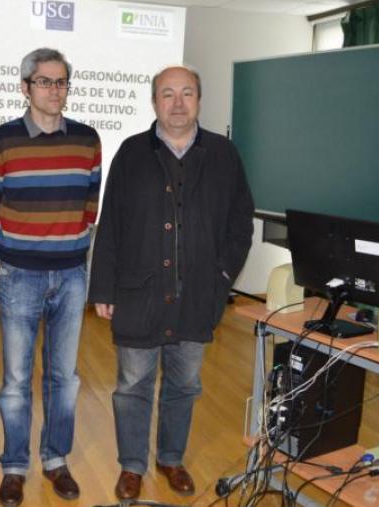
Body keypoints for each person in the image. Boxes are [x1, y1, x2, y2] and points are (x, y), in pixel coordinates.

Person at [88, 65, 254, 501]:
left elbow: (240, 225)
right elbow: (111, 226)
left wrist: (222, 276)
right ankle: (131, 465)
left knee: (184, 385)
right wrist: (103, 287)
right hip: (138, 293)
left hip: (198, 295)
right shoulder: (130, 152)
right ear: (154, 101)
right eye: (168, 94)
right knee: (133, 386)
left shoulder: (224, 155)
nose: (177, 103)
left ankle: (170, 458)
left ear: (199, 99)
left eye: (186, 94)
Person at [0, 47, 101, 507]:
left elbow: (92, 204)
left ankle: (55, 460)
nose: (55, 90)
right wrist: (6, 257)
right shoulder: (0, 140)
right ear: (25, 87)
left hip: (72, 276)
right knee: (14, 380)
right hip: (19, 277)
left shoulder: (88, 139)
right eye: (45, 81)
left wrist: (74, 249)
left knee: (63, 378)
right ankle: (13, 466)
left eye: (61, 81)